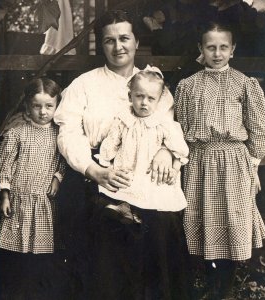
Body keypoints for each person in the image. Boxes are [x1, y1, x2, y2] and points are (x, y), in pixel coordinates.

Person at [54, 9, 192, 300]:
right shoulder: (84, 85)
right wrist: (93, 169)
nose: (118, 47)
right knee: (105, 231)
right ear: (101, 45)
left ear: (136, 41)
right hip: (97, 173)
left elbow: (169, 127)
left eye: (124, 38)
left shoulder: (154, 85)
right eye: (109, 40)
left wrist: (167, 152)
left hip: (148, 175)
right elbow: (69, 134)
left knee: (160, 228)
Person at [174, 20, 265, 299]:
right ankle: (208, 283)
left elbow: (257, 128)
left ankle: (225, 289)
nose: (217, 53)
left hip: (234, 162)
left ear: (233, 49)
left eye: (223, 47)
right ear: (201, 49)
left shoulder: (244, 84)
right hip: (199, 161)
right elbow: (179, 126)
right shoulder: (187, 86)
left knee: (231, 220)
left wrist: (253, 165)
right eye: (211, 47)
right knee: (202, 219)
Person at [0, 78, 67, 299]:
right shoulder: (17, 133)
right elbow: (4, 164)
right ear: (28, 106)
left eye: (49, 106)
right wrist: (5, 196)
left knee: (43, 253)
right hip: (20, 199)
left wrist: (57, 177)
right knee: (17, 252)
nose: (43, 112)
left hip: (44, 200)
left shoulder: (59, 134)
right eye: (37, 106)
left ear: (57, 106)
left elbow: (63, 160)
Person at [96, 66, 189, 224]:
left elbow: (179, 148)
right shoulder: (123, 119)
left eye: (151, 98)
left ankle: (140, 214)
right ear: (130, 96)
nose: (144, 103)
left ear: (159, 100)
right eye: (139, 96)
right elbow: (111, 142)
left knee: (154, 195)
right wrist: (106, 164)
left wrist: (175, 168)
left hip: (149, 172)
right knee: (123, 186)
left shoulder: (163, 123)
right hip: (129, 167)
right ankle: (126, 209)